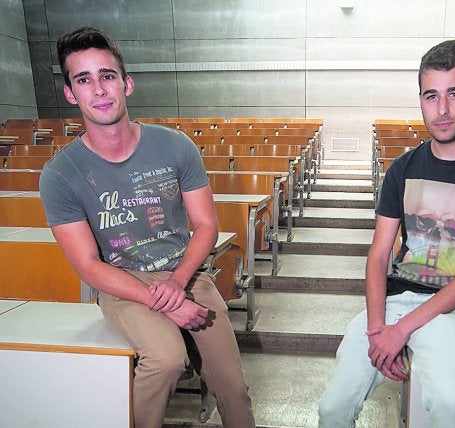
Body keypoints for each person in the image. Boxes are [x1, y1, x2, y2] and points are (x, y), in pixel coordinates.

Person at [39, 27, 255, 428]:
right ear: (70, 93)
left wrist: (178, 283)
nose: (98, 89)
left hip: (185, 273)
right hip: (122, 284)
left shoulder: (175, 146)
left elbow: (206, 225)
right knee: (166, 359)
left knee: (233, 387)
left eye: (107, 75)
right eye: (83, 79)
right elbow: (88, 265)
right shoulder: (60, 174)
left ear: (126, 83)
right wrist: (166, 301)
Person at [318, 40, 455, 427]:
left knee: (451, 406)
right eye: (432, 96)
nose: (442, 109)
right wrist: (378, 329)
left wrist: (402, 331)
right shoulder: (402, 168)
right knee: (333, 408)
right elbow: (379, 256)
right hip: (394, 301)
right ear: (421, 99)